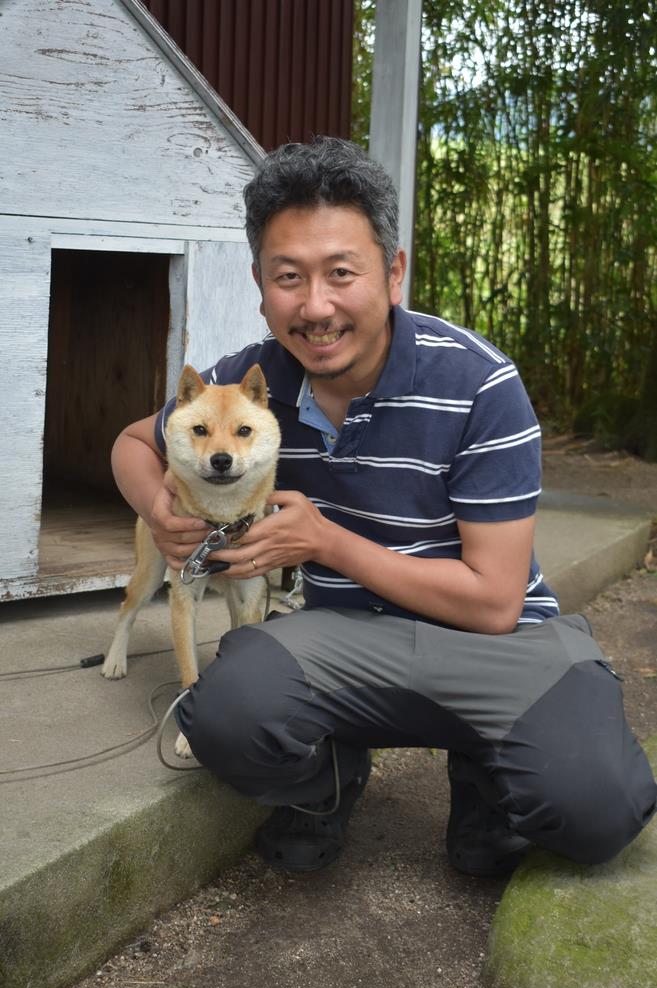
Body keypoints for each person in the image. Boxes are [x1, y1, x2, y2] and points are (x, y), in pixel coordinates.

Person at [112, 137, 656, 877]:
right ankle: (325, 779)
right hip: (340, 636)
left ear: (392, 272)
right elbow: (130, 443)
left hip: (492, 639)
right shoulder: (247, 382)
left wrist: (326, 543)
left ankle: (486, 770)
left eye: (341, 273)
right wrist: (160, 513)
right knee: (226, 715)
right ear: (260, 285)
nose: (315, 306)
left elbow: (495, 601)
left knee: (597, 808)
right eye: (288, 278)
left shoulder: (478, 383)